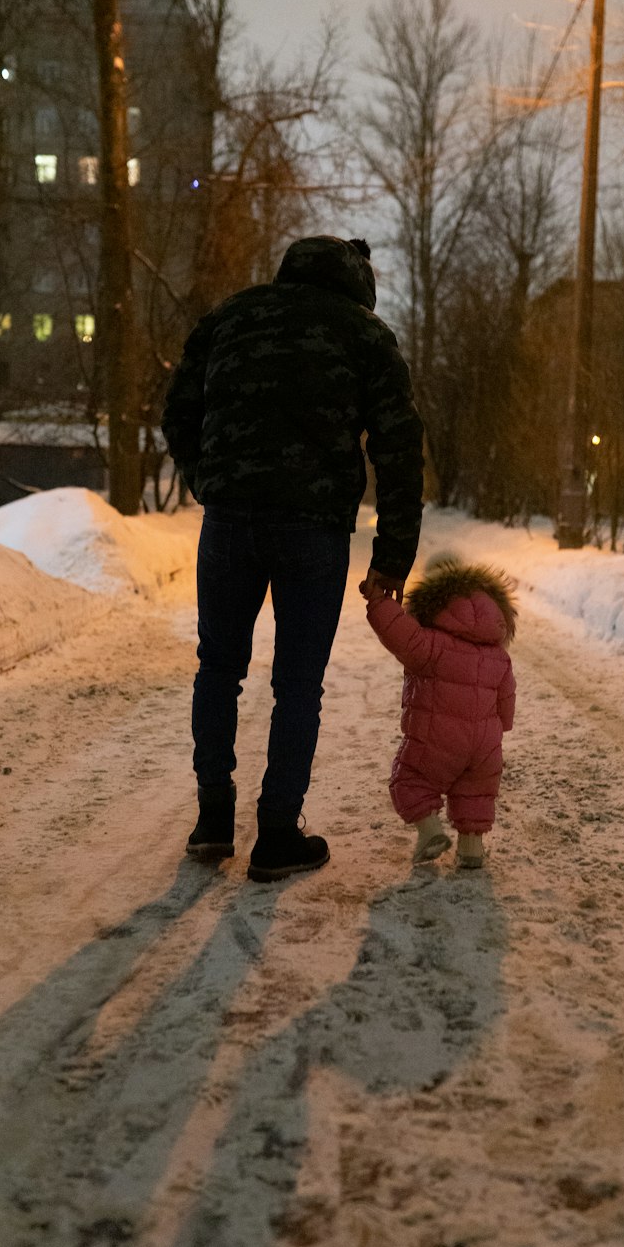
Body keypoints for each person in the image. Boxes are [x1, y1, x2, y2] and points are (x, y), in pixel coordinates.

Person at [162, 236, 424, 882]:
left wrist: (209, 479)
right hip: (314, 530)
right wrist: (392, 557)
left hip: (229, 524)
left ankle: (213, 820)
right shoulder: (364, 335)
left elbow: (178, 412)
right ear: (357, 282)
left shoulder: (230, 318)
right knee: (297, 684)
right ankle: (278, 833)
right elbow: (398, 447)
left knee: (218, 667)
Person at [362, 555, 516, 870]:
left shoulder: (430, 644)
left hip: (439, 739)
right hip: (485, 747)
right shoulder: (498, 655)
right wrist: (502, 726)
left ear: (437, 600)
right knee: (475, 794)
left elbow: (397, 632)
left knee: (409, 779)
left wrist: (378, 601)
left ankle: (430, 832)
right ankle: (472, 849)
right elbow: (507, 699)